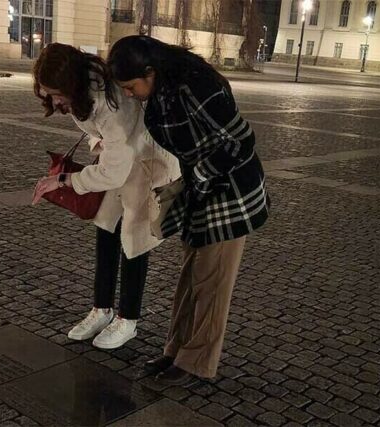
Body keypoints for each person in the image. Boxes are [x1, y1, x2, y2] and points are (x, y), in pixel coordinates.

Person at [107, 35, 270, 386]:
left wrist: (200, 174)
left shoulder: (195, 84)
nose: (129, 94)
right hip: (199, 188)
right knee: (190, 275)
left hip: (230, 190)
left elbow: (241, 139)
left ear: (150, 72)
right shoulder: (161, 88)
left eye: (130, 86)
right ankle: (175, 351)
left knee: (213, 280)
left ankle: (197, 363)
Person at [31, 43, 180, 350]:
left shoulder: (110, 105)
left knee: (133, 238)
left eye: (57, 93)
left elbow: (114, 167)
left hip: (146, 160)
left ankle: (128, 319)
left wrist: (64, 180)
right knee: (106, 227)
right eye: (47, 91)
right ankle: (101, 310)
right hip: (119, 155)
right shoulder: (84, 86)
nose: (53, 100)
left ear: (72, 84)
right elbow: (102, 138)